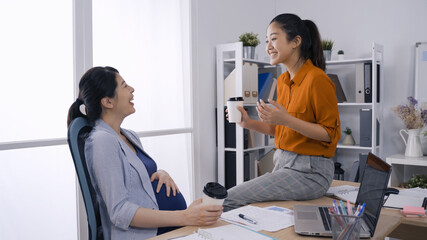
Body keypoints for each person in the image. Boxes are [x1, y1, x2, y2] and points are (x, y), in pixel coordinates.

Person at [67, 66, 222, 239]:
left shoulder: (129, 135)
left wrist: (160, 173)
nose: (132, 89)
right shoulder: (102, 141)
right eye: (124, 86)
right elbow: (119, 212)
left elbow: (137, 182)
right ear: (108, 102)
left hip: (172, 226)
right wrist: (185, 216)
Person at [223, 13, 341, 211]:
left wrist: (287, 119)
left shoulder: (318, 80)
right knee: (242, 204)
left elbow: (330, 135)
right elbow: (279, 130)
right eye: (266, 40)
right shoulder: (284, 81)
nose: (268, 46)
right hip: (284, 164)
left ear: (296, 42)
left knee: (227, 200)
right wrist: (247, 123)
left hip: (310, 173)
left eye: (274, 39)